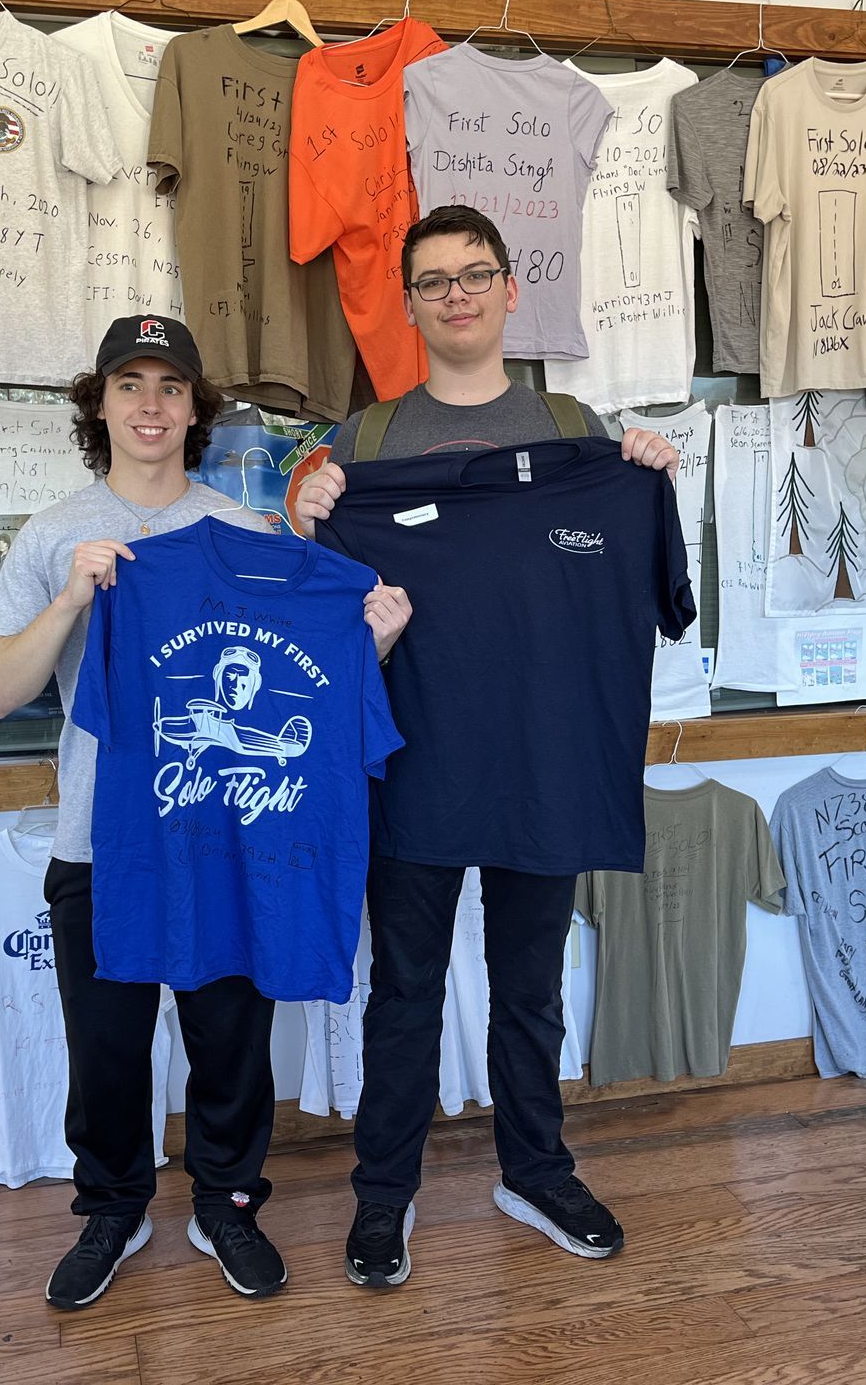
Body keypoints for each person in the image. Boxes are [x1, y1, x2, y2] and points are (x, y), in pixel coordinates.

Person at [0, 314, 413, 1310]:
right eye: (130, 385)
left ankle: (227, 1202)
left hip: (228, 839)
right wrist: (73, 601)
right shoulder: (55, 537)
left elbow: (294, 691)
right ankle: (113, 1211)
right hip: (100, 842)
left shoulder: (245, 533)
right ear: (99, 404)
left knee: (230, 1045)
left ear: (195, 410)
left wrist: (370, 648)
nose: (151, 406)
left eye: (170, 388)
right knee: (110, 1050)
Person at [295, 205, 680, 1289]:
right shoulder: (365, 442)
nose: (457, 295)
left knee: (532, 984)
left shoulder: (577, 433)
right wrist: (311, 517)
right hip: (410, 757)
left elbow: (645, 590)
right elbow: (314, 628)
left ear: (512, 290)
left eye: (476, 274)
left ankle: (536, 1170)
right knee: (406, 987)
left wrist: (646, 469)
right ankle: (384, 1199)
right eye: (433, 281)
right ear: (410, 304)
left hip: (545, 756)